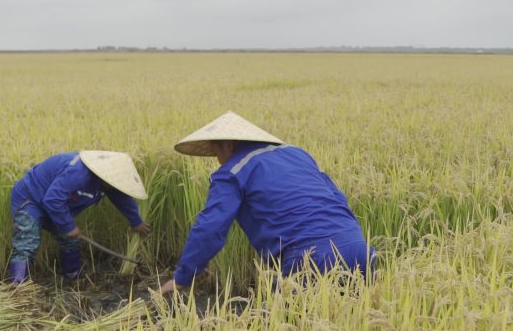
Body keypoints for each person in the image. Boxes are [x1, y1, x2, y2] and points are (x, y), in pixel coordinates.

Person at [160, 111, 374, 294]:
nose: (219, 160)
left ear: (227, 144)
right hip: (359, 248)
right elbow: (338, 198)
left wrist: (182, 278)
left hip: (310, 258)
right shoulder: (298, 154)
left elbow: (210, 228)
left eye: (216, 153)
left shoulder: (232, 172)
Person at [7, 150, 150, 283]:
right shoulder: (79, 172)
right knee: (27, 242)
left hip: (55, 206)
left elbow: (121, 198)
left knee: (70, 240)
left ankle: (72, 278)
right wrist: (69, 226)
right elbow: (52, 200)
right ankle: (17, 286)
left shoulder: (107, 182)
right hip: (31, 199)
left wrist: (136, 221)